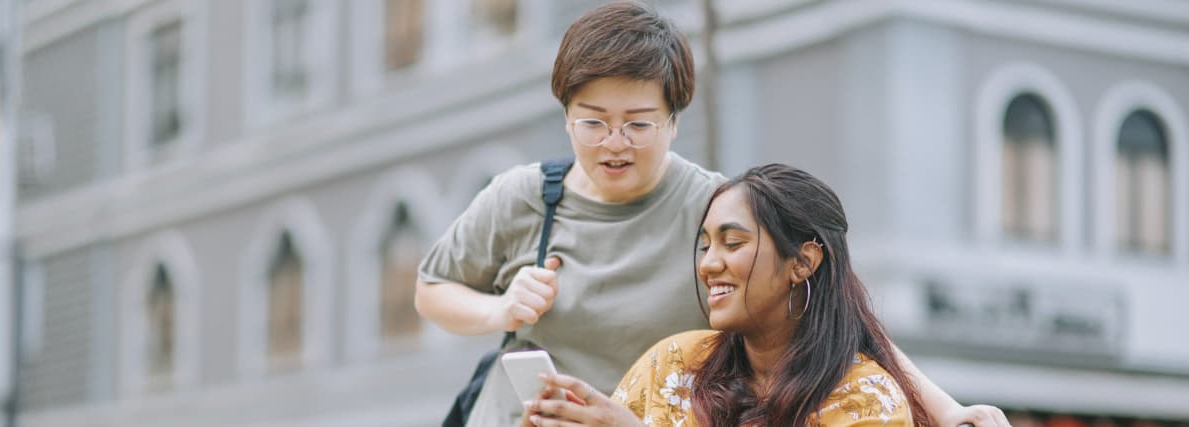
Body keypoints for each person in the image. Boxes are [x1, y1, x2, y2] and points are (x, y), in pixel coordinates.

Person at [414, 2, 1007, 426]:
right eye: (592, 121)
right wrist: (501, 308)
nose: (614, 143)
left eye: (639, 124)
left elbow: (838, 311)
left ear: (675, 120)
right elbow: (431, 288)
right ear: (566, 116)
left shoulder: (719, 211)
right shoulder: (521, 196)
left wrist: (949, 411)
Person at [522, 163, 957, 427]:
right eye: (705, 245)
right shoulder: (668, 366)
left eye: (733, 244)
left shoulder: (866, 399)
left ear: (803, 262)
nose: (709, 264)